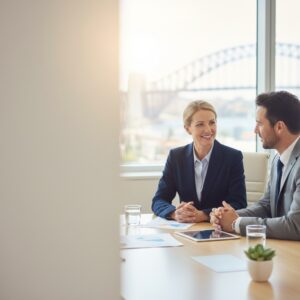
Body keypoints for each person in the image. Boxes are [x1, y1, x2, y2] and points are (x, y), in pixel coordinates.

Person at [210, 91, 300, 240]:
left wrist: (236, 223)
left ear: (279, 127)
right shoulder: (278, 159)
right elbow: (267, 205)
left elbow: (295, 226)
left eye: (259, 124)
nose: (254, 130)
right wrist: (228, 216)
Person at [151, 100, 247, 223]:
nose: (208, 130)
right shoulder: (176, 157)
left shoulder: (232, 157)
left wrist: (203, 215)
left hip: (219, 229)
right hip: (186, 231)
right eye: (200, 124)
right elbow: (159, 200)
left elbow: (239, 203)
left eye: (212, 123)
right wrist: (175, 213)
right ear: (188, 129)